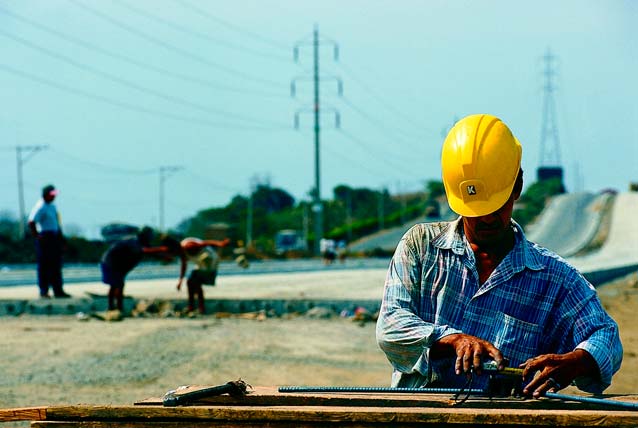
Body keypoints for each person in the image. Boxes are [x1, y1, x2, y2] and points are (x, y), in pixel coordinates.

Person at [376, 114, 622, 398]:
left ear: (517, 186)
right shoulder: (420, 247)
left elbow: (607, 337)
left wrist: (576, 361)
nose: (486, 218)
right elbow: (391, 325)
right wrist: (451, 339)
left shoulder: (554, 279)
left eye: (496, 205)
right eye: (475, 210)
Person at [100, 227, 169, 312]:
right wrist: (161, 249)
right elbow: (144, 251)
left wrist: (163, 257)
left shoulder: (142, 243)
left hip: (120, 264)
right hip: (111, 262)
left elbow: (151, 253)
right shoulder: (133, 241)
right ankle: (113, 307)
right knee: (116, 284)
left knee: (119, 284)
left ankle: (118, 307)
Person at [28, 184, 70, 298]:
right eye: (51, 195)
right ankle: (44, 291)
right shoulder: (40, 206)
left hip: (54, 236)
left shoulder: (52, 206)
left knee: (56, 265)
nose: (53, 197)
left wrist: (62, 240)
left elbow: (56, 223)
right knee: (44, 265)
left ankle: (58, 290)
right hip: (45, 236)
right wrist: (37, 236)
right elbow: (31, 222)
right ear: (45, 194)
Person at [173, 237, 231, 314]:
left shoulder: (193, 246)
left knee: (195, 282)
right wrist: (180, 281)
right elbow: (184, 265)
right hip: (200, 263)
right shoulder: (182, 250)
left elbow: (206, 243)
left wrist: (220, 244)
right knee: (190, 283)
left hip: (210, 262)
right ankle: (193, 307)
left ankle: (199, 307)